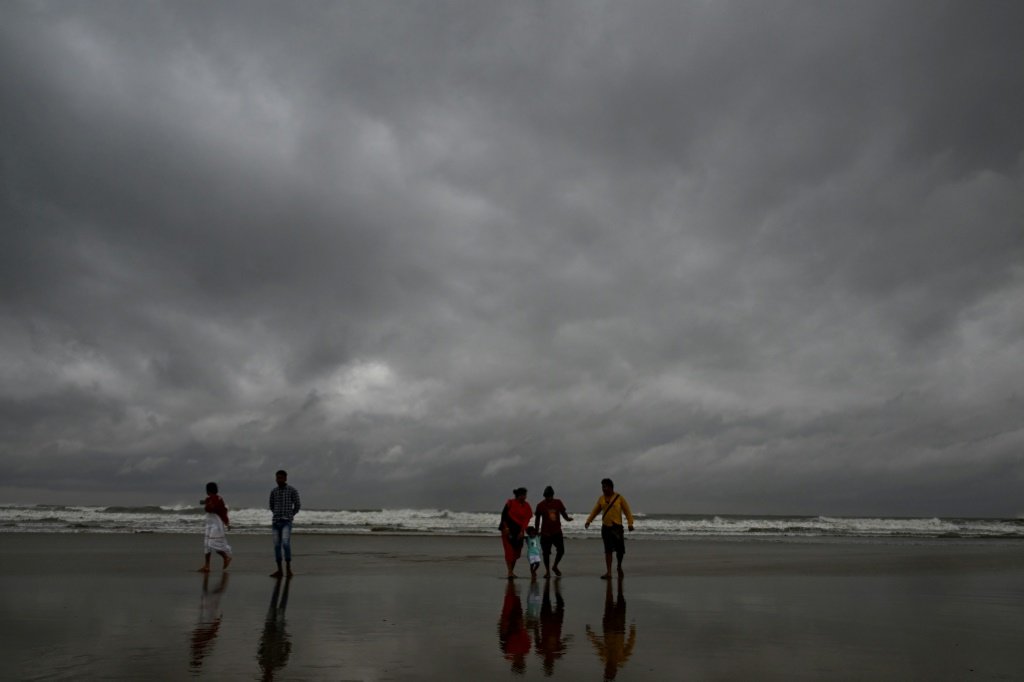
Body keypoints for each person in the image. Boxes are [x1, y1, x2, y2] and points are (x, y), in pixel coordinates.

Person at [584, 478, 634, 579]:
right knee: (608, 550)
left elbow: (627, 511)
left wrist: (630, 523)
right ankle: (609, 572)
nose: (603, 489)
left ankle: (619, 566)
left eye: (605, 486)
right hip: (606, 528)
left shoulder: (619, 498)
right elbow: (595, 510)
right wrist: (588, 521)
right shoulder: (601, 499)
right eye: (602, 487)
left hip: (617, 528)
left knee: (620, 551)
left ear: (611, 487)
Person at [533, 485, 573, 578]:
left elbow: (563, 513)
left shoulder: (558, 503)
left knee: (561, 550)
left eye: (550, 496)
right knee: (546, 553)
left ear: (553, 495)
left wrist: (567, 519)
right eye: (547, 496)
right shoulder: (540, 505)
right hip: (545, 533)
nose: (549, 498)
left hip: (556, 532)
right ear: (544, 496)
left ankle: (555, 566)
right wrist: (536, 530)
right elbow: (537, 519)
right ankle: (547, 571)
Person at [269, 470, 301, 578]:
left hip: (286, 521)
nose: (279, 480)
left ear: (286, 478)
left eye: (281, 478)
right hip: (276, 522)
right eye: (277, 478)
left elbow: (297, 505)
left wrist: (290, 515)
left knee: (286, 544)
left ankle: (288, 568)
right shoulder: (274, 491)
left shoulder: (292, 490)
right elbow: (271, 505)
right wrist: (277, 514)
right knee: (277, 546)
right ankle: (279, 570)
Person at [499, 487, 532, 579]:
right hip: (507, 530)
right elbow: (504, 516)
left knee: (516, 552)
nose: (525, 497)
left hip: (519, 531)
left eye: (525, 495)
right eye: (523, 495)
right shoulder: (510, 503)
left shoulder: (527, 506)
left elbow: (527, 519)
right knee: (509, 551)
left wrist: (522, 531)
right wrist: (505, 527)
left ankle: (511, 571)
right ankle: (509, 572)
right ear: (518, 495)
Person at [198, 482, 232, 572]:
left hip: (216, 523)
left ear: (208, 490)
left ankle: (226, 557)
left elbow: (217, 510)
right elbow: (209, 507)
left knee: (212, 543)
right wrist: (207, 503)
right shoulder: (209, 499)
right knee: (206, 544)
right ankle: (207, 566)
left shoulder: (218, 498)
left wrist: (227, 522)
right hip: (209, 522)